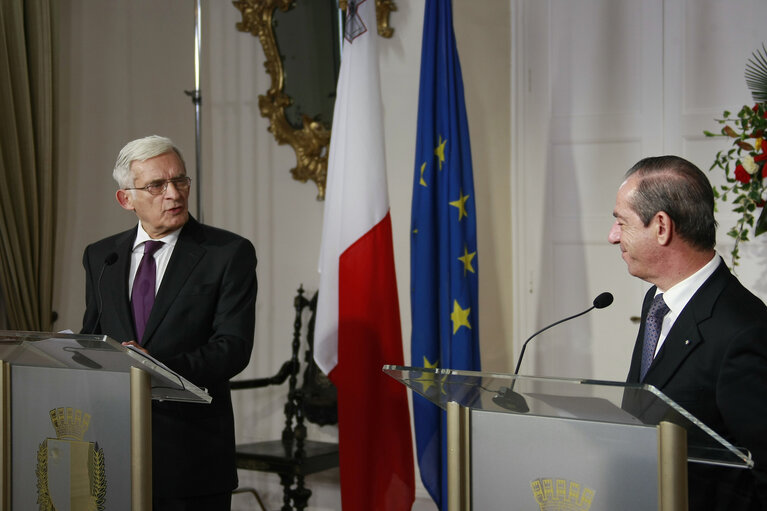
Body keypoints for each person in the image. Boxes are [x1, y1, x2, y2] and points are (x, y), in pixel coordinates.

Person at [81, 135, 257, 510]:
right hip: (113, 451)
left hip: (191, 455)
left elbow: (233, 347)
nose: (173, 194)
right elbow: (93, 336)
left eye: (180, 181)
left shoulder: (226, 254)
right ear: (126, 199)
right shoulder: (101, 257)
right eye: (157, 185)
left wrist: (154, 368)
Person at [608, 155, 767, 510]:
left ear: (661, 227)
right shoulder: (658, 298)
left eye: (622, 222)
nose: (612, 236)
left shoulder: (744, 330)